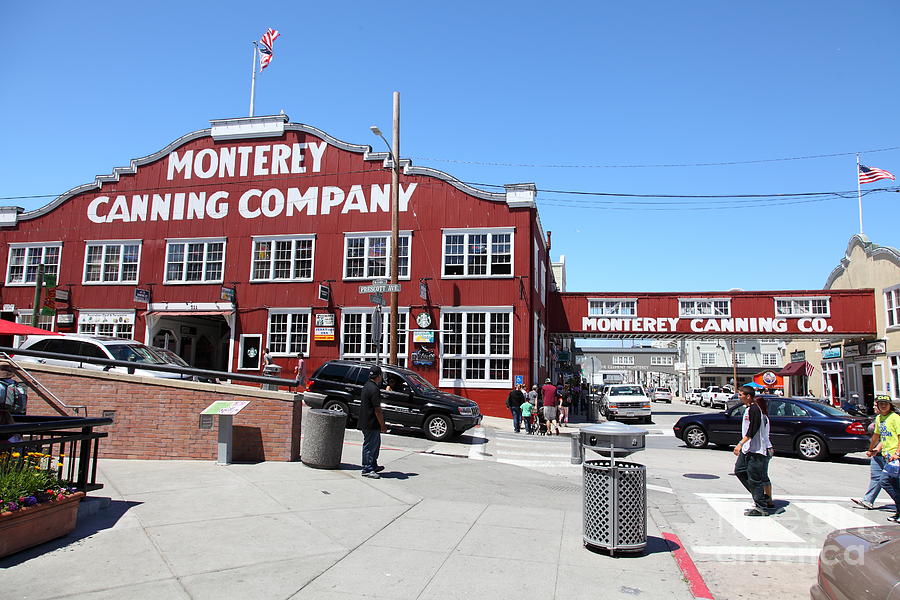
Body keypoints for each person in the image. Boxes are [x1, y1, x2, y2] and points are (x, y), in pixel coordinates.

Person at [855, 395, 900, 522]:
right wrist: (872, 449)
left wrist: (897, 453)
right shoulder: (880, 418)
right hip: (887, 456)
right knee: (894, 484)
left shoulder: (895, 418)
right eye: (880, 404)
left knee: (885, 481)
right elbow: (877, 436)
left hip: (895, 457)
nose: (883, 406)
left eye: (885, 403)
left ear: (890, 405)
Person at [733, 385, 773, 516]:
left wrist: (740, 443)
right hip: (747, 449)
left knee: (754, 478)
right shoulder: (749, 409)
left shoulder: (755, 409)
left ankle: (761, 507)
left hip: (756, 450)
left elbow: (753, 429)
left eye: (741, 395)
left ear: (748, 396)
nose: (739, 397)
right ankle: (760, 496)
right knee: (739, 471)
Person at [359, 365, 387, 479]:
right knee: (370, 446)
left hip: (367, 421)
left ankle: (373, 465)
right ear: (379, 376)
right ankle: (367, 468)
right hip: (370, 422)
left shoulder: (367, 386)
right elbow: (377, 409)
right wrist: (383, 425)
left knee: (375, 445)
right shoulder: (374, 389)